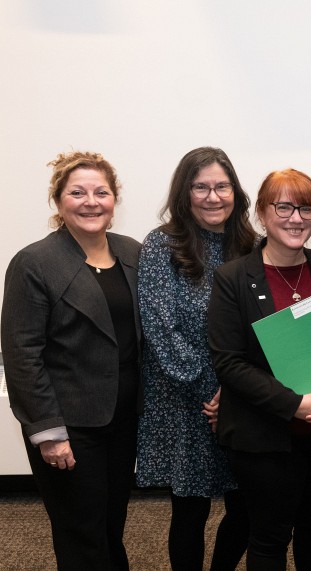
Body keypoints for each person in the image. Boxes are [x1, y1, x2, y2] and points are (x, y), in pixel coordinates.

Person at [207, 169, 311, 570]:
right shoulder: (233, 278)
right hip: (265, 436)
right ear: (261, 213)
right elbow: (228, 361)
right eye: (284, 206)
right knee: (269, 537)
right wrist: (294, 405)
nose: (297, 218)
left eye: (306, 208)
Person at [2, 151, 141, 570]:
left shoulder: (132, 253)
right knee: (81, 532)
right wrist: (48, 431)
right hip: (71, 426)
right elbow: (21, 354)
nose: (90, 201)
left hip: (123, 419)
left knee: (112, 524)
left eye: (101, 192)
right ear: (59, 200)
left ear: (114, 199)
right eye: (77, 192)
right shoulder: (35, 263)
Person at [136, 147, 254, 569]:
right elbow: (160, 330)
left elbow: (263, 328)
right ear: (184, 194)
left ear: (235, 192)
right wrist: (212, 394)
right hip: (187, 403)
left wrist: (236, 392)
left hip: (240, 398)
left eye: (222, 186)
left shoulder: (252, 245)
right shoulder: (161, 245)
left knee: (247, 506)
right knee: (191, 511)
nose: (212, 196)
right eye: (200, 186)